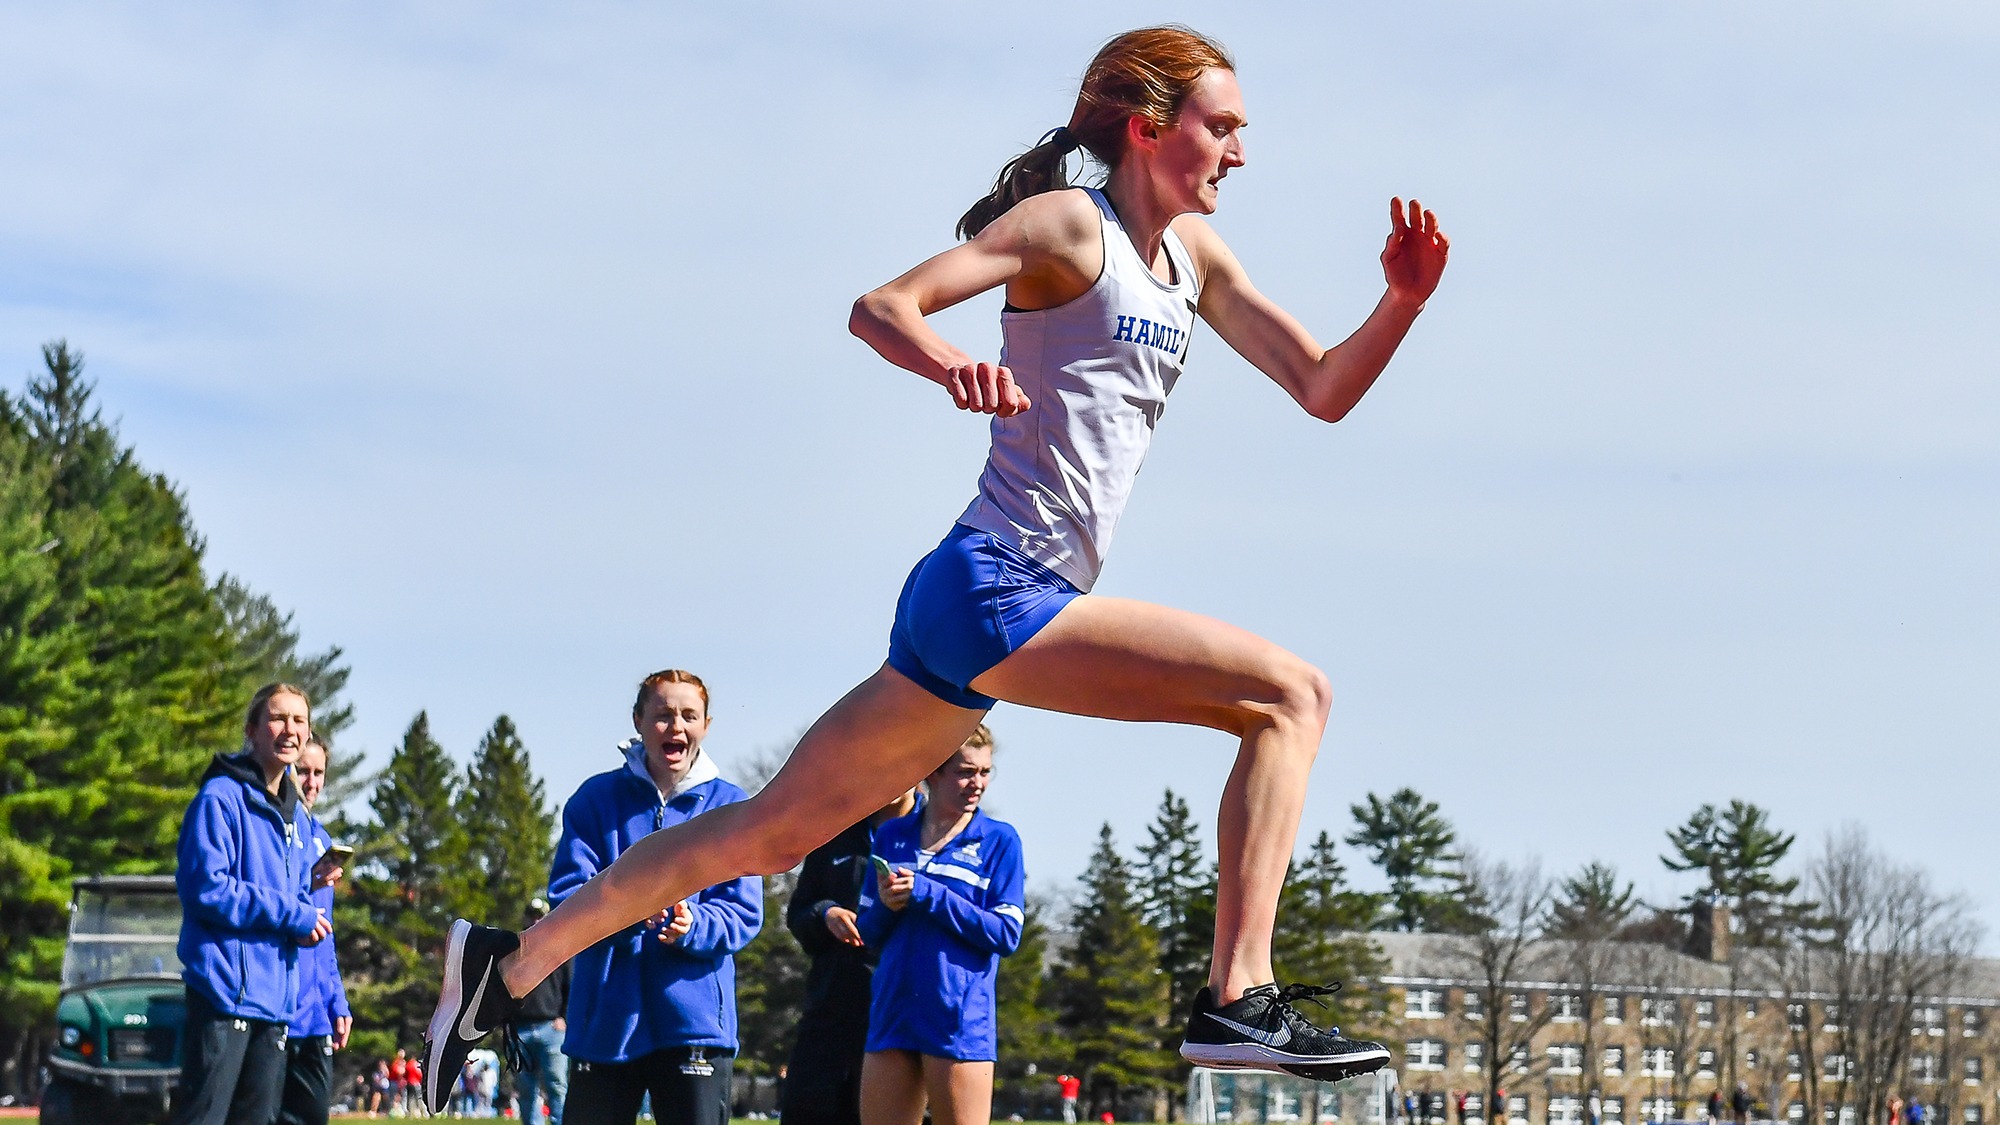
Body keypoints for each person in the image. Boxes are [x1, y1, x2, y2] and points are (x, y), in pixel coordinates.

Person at [422, 24, 1448, 1106]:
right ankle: (1237, 993)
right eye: (1223, 127)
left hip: (972, 609)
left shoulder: (1198, 261)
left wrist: (1401, 304)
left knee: (767, 836)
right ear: (1151, 129)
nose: (1239, 151)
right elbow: (882, 308)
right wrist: (953, 363)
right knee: (1291, 696)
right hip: (996, 586)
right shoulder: (1067, 225)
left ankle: (510, 964)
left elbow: (1323, 387)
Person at [547, 671, 762, 1125]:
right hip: (604, 1024)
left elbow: (744, 911)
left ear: (706, 725)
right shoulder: (594, 800)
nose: (676, 727)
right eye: (663, 716)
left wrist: (694, 925)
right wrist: (624, 916)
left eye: (689, 715)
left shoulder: (732, 807)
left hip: (695, 1026)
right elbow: (565, 895)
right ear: (638, 721)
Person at [172, 683, 332, 1125]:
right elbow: (208, 889)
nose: (290, 730)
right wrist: (292, 913)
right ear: (252, 730)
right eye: (278, 719)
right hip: (224, 998)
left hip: (276, 1005)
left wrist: (307, 894)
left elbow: (288, 898)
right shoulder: (219, 799)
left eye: (299, 720)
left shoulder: (297, 818)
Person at [856, 726, 1023, 1125]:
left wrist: (928, 894)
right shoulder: (891, 835)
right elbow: (869, 932)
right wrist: (886, 905)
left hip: (959, 1021)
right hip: (892, 1013)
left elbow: (1006, 933)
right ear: (933, 772)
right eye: (966, 772)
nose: (978, 783)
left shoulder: (1000, 841)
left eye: (986, 772)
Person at [779, 786, 921, 1125]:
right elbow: (799, 911)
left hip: (904, 1015)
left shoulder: (933, 833)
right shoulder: (836, 832)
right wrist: (825, 914)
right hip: (830, 1014)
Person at [279, 739, 353, 1125]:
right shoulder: (275, 831)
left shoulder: (322, 838)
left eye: (318, 773)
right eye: (303, 771)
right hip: (275, 1009)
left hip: (314, 1016)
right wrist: (308, 882)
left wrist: (337, 1000)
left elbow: (326, 938)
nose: (311, 781)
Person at [512, 898, 573, 1124]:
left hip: (552, 1028)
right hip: (520, 1029)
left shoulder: (560, 948)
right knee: (526, 1089)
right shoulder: (515, 950)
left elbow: (571, 985)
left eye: (541, 915)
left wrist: (565, 1017)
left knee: (557, 1086)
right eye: (532, 915)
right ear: (526, 918)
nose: (536, 920)